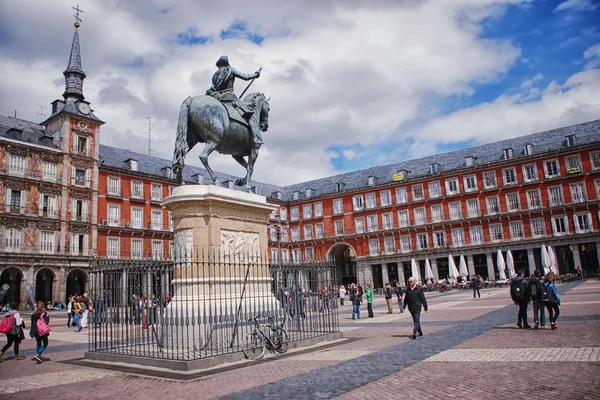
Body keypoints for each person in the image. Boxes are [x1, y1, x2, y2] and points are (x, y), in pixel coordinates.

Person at [205, 55, 263, 146]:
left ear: (219, 64)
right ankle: (256, 138)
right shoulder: (230, 70)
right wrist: (256, 74)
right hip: (230, 98)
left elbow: (214, 88)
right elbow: (245, 77)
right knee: (250, 113)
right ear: (227, 63)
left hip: (218, 99)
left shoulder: (215, 75)